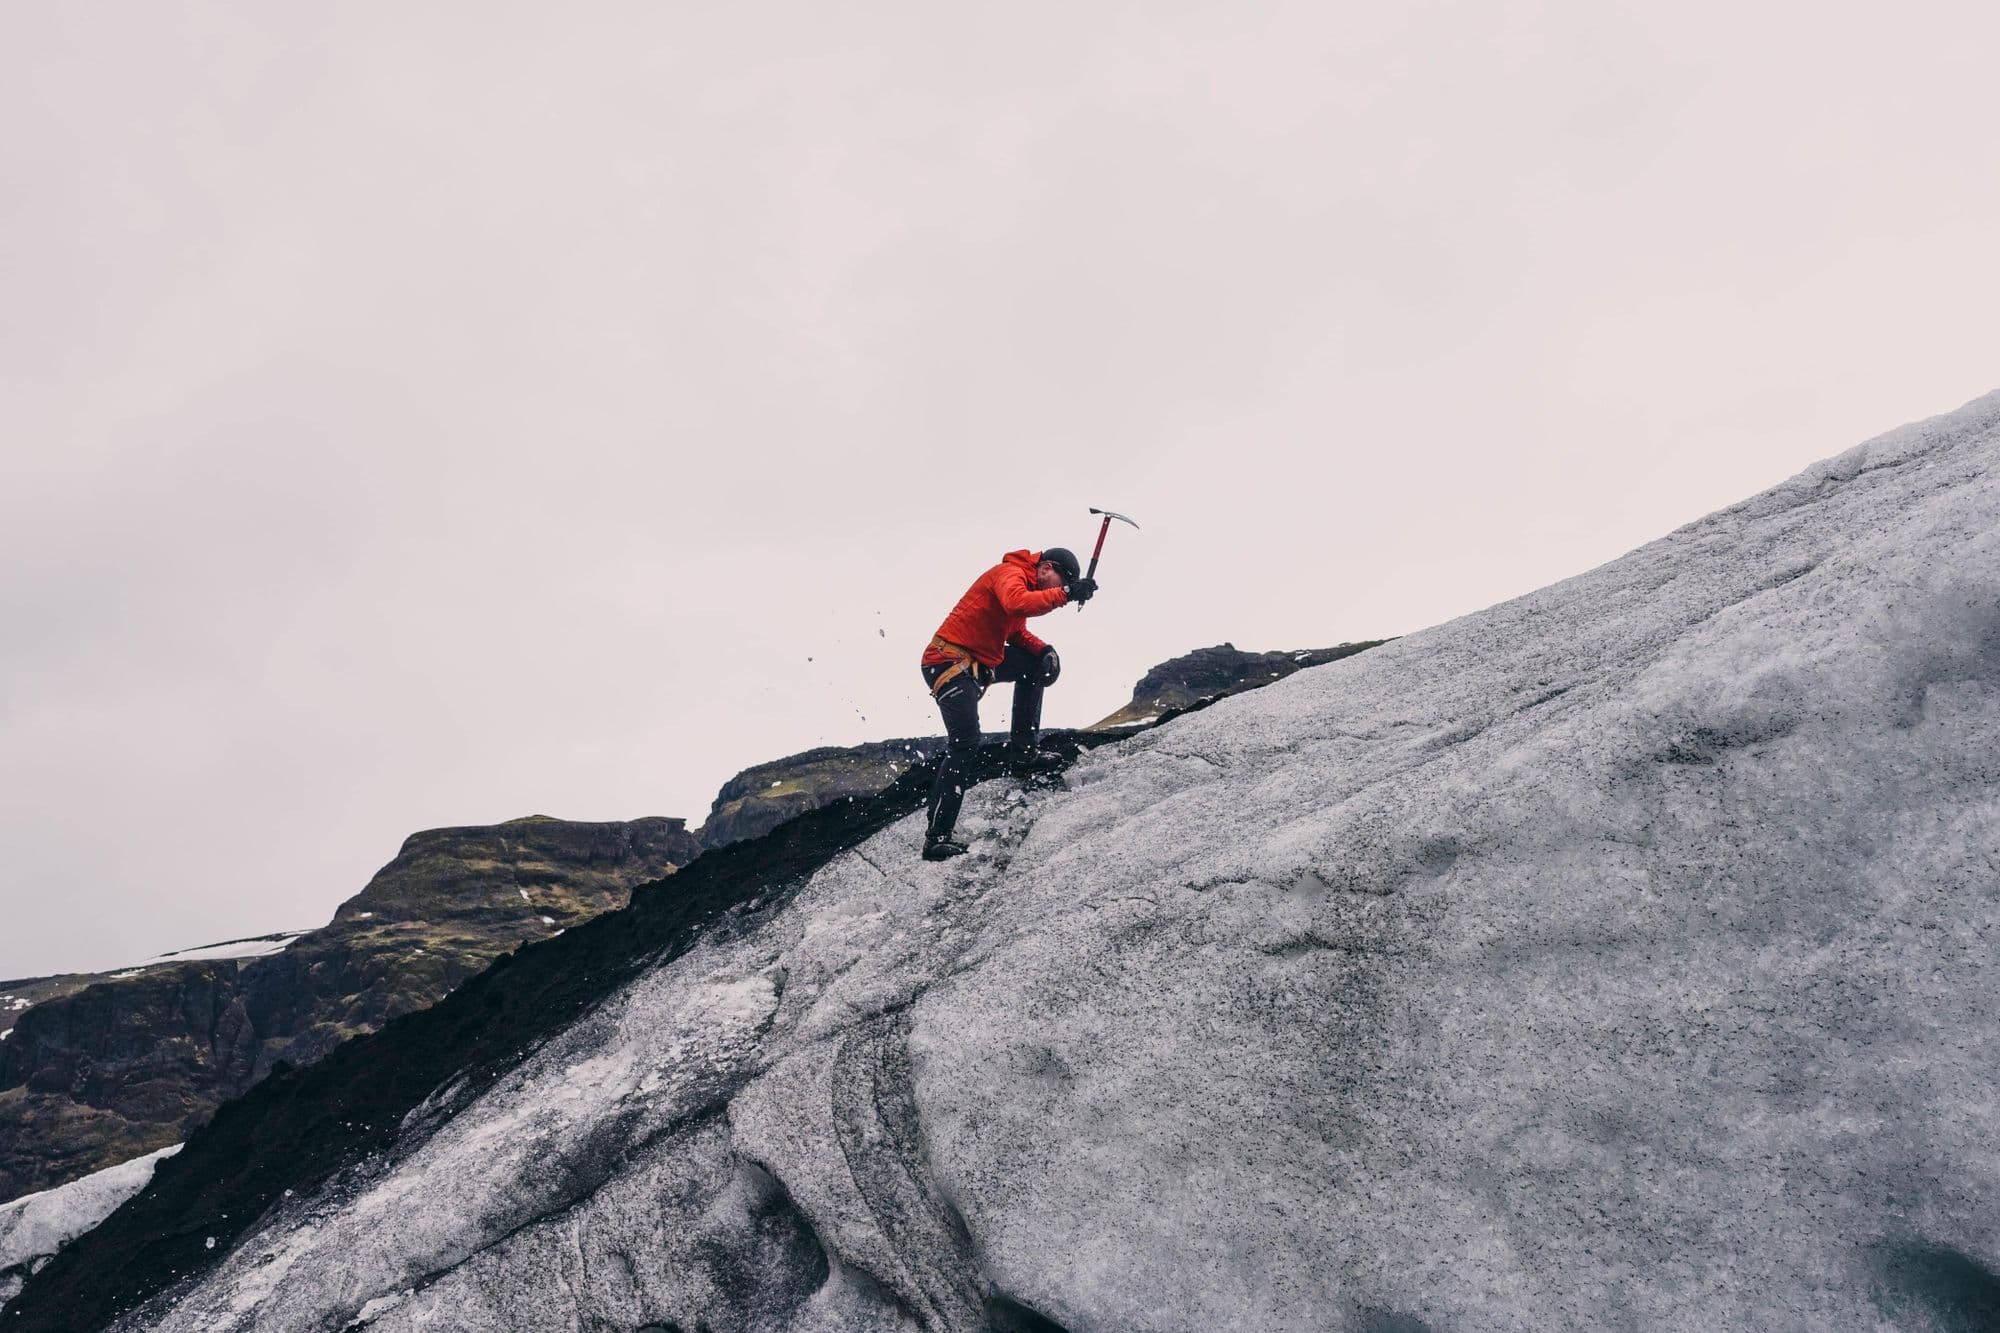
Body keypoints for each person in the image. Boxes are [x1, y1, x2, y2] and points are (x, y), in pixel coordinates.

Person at [919, 547, 1098, 860]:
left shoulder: (1025, 585)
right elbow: (1016, 603)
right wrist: (1068, 593)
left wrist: (1046, 651)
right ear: (1045, 568)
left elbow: (1017, 633)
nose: (1057, 588)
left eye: (1062, 585)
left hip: (975, 664)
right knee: (965, 744)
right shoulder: (1010, 575)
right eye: (1058, 580)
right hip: (947, 662)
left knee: (1033, 664)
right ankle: (936, 838)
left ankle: (1024, 754)